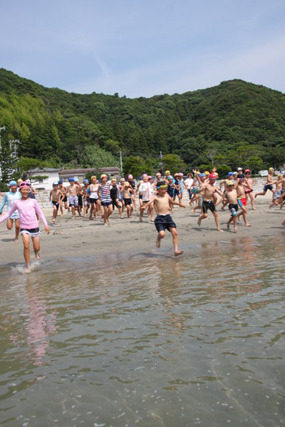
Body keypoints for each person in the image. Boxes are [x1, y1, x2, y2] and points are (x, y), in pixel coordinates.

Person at [0, 181, 50, 272]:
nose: (26, 192)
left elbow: (40, 214)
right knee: (26, 246)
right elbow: (8, 214)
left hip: (34, 227)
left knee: (36, 247)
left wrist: (46, 225)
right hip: (24, 228)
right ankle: (27, 266)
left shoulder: (33, 201)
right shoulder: (17, 202)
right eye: (24, 190)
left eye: (27, 190)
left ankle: (36, 253)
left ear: (29, 191)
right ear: (20, 190)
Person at [141, 181, 186, 256]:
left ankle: (176, 250)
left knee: (175, 233)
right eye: (162, 189)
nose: (164, 191)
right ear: (158, 190)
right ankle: (158, 239)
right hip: (160, 219)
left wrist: (179, 204)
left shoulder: (167, 195)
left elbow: (171, 202)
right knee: (162, 234)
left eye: (165, 189)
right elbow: (149, 202)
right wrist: (144, 206)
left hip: (168, 217)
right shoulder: (155, 197)